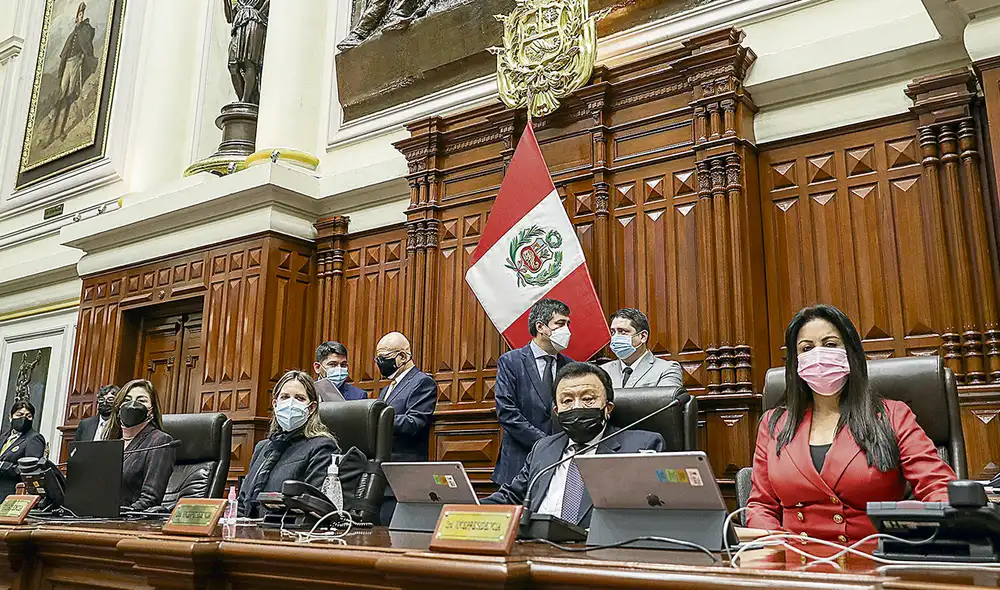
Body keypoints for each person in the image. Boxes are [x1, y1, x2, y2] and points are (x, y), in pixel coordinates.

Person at [747, 304, 956, 543]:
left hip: (872, 558)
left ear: (850, 352)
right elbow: (761, 506)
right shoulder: (774, 424)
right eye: (806, 348)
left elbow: (937, 486)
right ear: (796, 362)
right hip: (796, 559)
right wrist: (775, 551)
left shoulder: (892, 415)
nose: (818, 355)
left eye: (830, 344)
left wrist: (952, 531)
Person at [483, 362, 664, 527]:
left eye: (588, 399)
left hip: (598, 547)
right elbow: (512, 497)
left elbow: (650, 513)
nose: (577, 407)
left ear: (608, 408)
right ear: (557, 411)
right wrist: (470, 506)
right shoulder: (543, 448)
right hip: (536, 545)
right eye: (567, 401)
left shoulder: (640, 446)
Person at [492, 299, 574, 486]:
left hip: (560, 463)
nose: (567, 330)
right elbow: (507, 412)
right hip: (518, 462)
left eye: (568, 324)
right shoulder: (511, 361)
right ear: (540, 327)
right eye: (560, 323)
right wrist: (544, 444)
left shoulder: (570, 366)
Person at [238, 370, 340, 518]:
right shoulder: (262, 448)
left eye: (299, 398)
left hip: (288, 528)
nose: (290, 403)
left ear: (311, 408)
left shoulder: (322, 447)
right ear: (275, 404)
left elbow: (314, 505)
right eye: (285, 397)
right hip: (249, 528)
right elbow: (242, 502)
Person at [102, 379, 176, 512]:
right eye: (127, 400)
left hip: (129, 520)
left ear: (151, 410)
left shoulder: (159, 441)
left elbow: (150, 499)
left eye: (141, 400)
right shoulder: (111, 441)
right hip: (97, 517)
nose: (132, 404)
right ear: (119, 407)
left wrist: (123, 514)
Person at [375, 332, 438, 462]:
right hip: (382, 460)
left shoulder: (422, 382)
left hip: (404, 462)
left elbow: (414, 422)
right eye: (378, 358)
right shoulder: (387, 389)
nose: (380, 363)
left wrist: (379, 419)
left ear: (403, 356)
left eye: (384, 357)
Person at [601, 308, 683, 389]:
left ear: (643, 336)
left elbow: (665, 397)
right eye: (613, 332)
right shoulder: (602, 371)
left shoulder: (667, 369)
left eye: (622, 332)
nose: (615, 337)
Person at [51, 2, 96, 140]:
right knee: (62, 91)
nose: (80, 17)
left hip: (76, 61)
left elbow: (87, 42)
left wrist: (83, 56)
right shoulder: (74, 32)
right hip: (68, 63)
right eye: (79, 15)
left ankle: (62, 129)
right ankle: (53, 130)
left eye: (82, 14)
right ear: (76, 17)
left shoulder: (85, 29)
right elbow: (66, 49)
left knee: (70, 93)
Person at [0, 401, 46, 500]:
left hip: (10, 492)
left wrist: (5, 466)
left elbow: (31, 469)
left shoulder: (34, 438)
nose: (24, 419)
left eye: (28, 416)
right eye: (19, 415)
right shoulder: (4, 435)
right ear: (10, 417)